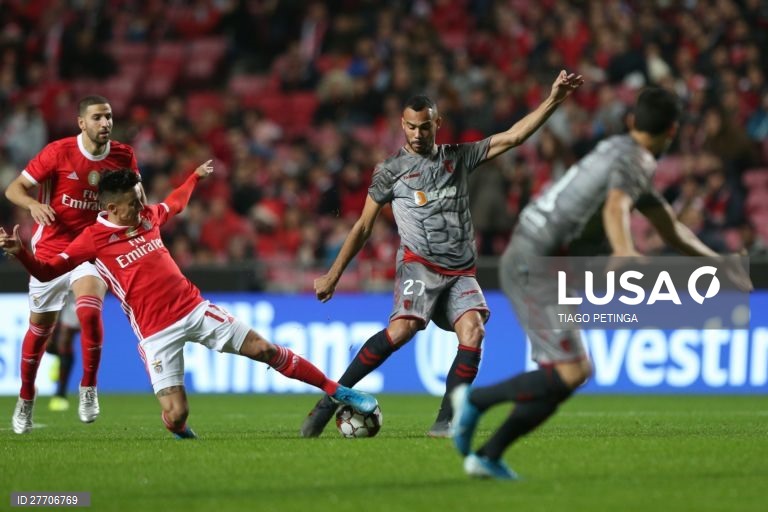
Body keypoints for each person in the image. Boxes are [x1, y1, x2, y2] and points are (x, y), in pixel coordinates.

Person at [449, 87, 753, 479]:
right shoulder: (637, 161)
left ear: (631, 121)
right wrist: (625, 251)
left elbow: (671, 230)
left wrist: (721, 265)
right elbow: (616, 206)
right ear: (672, 130)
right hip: (536, 263)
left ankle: (487, 456)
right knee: (571, 372)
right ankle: (473, 401)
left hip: (540, 260)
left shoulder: (618, 152)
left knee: (564, 377)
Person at [301, 70, 584, 438]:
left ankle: (447, 419)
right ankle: (331, 399)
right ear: (402, 126)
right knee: (402, 330)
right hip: (419, 266)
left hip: (461, 272)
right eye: (412, 127)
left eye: (426, 127)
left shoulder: (458, 158)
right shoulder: (390, 172)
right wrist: (333, 275)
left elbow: (514, 136)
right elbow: (363, 227)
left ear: (438, 124)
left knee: (474, 330)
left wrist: (554, 99)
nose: (419, 134)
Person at [1, 162, 378, 439]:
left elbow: (176, 203)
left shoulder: (146, 215)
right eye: (134, 203)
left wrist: (193, 178)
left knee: (264, 348)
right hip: (155, 333)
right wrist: (21, 253)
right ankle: (178, 429)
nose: (142, 206)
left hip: (195, 309)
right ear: (113, 209)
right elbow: (49, 271)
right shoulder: (92, 239)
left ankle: (340, 391)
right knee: (177, 415)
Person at [5, 95, 141, 433]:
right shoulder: (58, 152)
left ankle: (88, 388)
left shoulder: (123, 156)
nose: (105, 123)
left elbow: (138, 199)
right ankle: (25, 399)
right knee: (40, 332)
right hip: (50, 248)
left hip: (92, 248)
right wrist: (32, 206)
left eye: (109, 117)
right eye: (97, 117)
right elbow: (14, 189)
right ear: (82, 122)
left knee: (89, 312)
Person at [46, 293, 82, 412]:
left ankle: (60, 394)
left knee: (65, 337)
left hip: (76, 287)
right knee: (48, 343)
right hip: (55, 284)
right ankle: (60, 358)